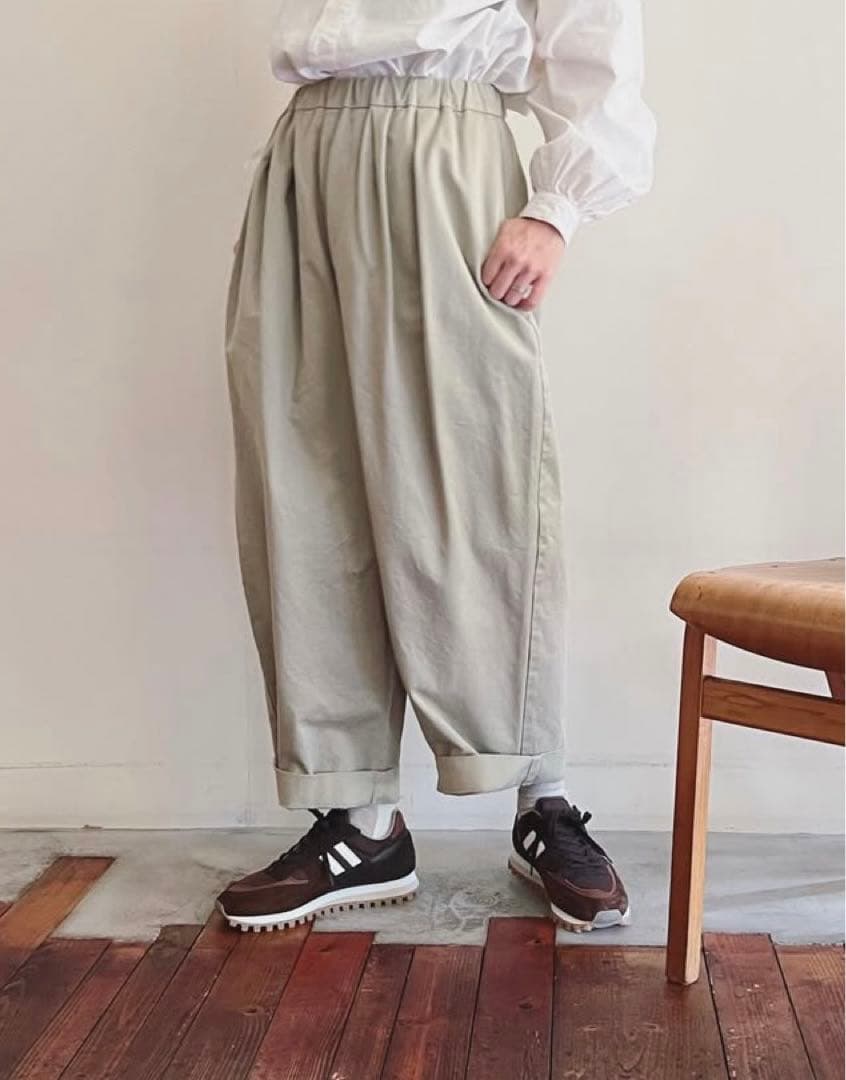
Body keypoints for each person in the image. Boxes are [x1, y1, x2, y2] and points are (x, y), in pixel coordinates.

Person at [218, 1, 656, 933]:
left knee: (477, 481)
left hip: (444, 146)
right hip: (309, 146)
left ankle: (542, 798)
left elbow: (591, 28)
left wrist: (558, 208)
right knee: (305, 490)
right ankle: (359, 820)